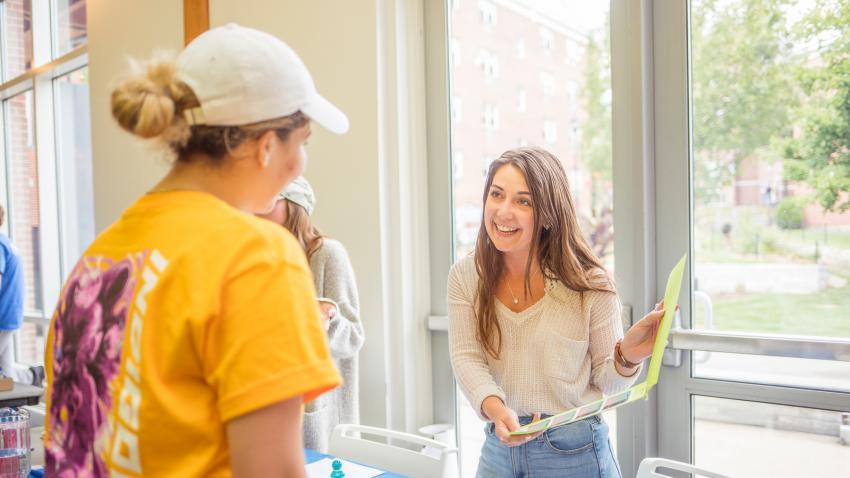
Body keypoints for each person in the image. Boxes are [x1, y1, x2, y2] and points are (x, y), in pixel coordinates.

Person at [43, 24, 348, 477]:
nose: (300, 162)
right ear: (266, 146)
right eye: (301, 142)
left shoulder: (96, 261)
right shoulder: (256, 258)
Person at [448, 147, 666, 478]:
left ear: (548, 214)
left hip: (573, 450)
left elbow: (607, 384)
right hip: (499, 448)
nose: (503, 211)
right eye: (497, 195)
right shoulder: (466, 275)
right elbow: (466, 356)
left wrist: (628, 355)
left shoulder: (589, 284)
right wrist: (496, 410)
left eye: (524, 201)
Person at [258, 176, 365, 452]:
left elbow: (354, 336)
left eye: (271, 200)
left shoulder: (328, 254)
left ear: (295, 206)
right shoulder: (264, 259)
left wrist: (327, 319)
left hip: (321, 414)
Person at [0, 205, 44, 386]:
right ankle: (32, 377)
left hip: (3, 316)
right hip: (10, 315)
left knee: (6, 369)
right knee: (6, 370)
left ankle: (31, 377)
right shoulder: (7, 242)